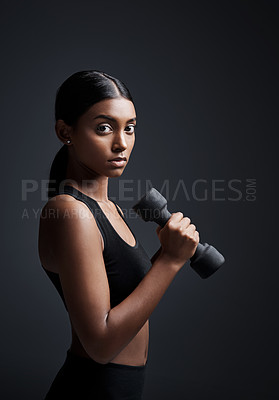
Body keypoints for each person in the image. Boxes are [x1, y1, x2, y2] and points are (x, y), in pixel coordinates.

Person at [38, 70, 200, 399]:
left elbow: (125, 298)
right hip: (93, 388)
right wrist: (169, 261)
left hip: (122, 387)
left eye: (130, 128)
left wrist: (169, 252)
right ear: (64, 131)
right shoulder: (72, 212)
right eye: (104, 128)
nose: (121, 143)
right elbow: (100, 344)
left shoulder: (111, 209)